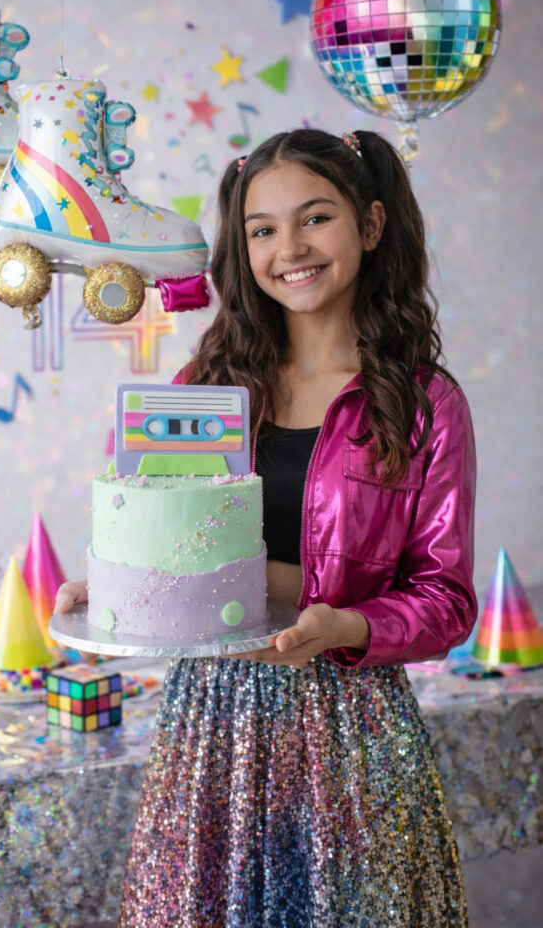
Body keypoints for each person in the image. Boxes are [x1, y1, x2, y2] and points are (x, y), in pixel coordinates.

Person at [56, 128, 477, 928]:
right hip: (214, 723)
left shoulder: (421, 403)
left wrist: (344, 622)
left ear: (371, 224)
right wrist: (121, 588)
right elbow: (160, 532)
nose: (290, 247)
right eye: (262, 229)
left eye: (314, 218)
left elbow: (446, 600)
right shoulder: (201, 390)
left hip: (353, 730)